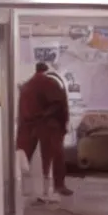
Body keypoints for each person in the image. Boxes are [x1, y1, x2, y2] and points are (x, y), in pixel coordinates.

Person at [16, 62, 73, 200]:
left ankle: (19, 187)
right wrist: (54, 119)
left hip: (27, 126)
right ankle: (57, 186)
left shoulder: (26, 86)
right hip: (48, 125)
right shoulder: (49, 82)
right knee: (54, 156)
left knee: (22, 157)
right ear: (45, 70)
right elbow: (59, 104)